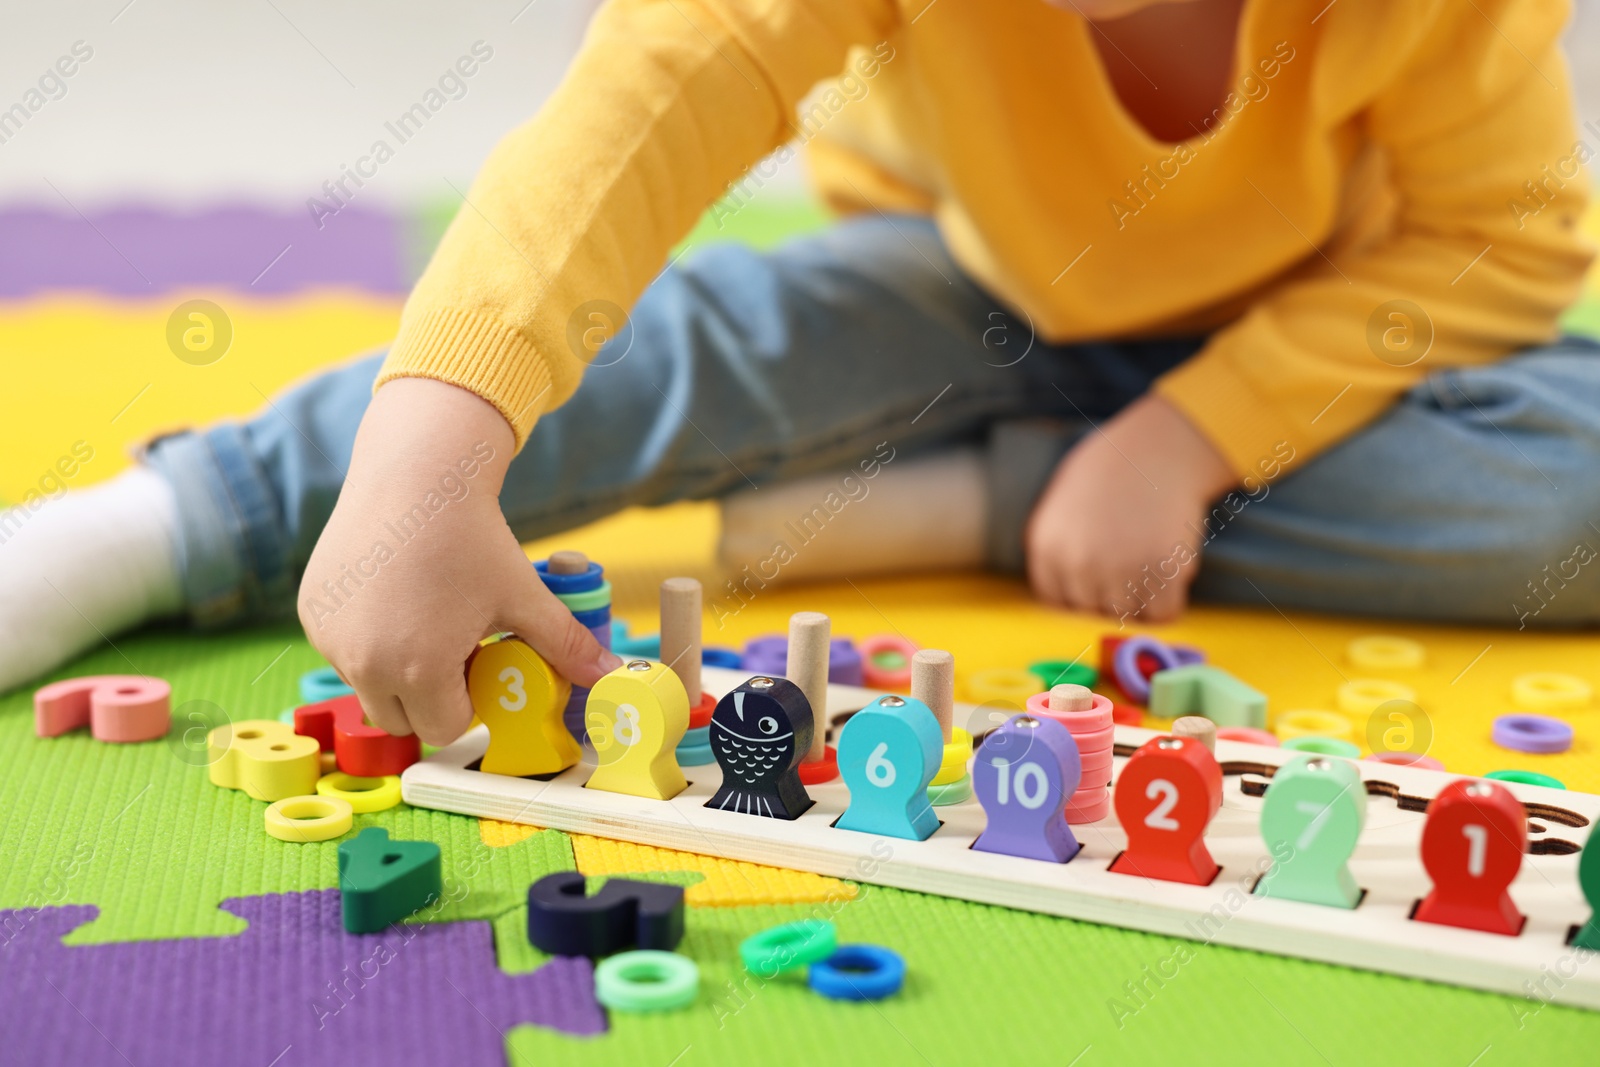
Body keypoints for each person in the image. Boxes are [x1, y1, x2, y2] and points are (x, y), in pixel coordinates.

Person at [1, 0, 1593, 744]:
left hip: (1328, 353)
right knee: (679, 347)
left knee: (1568, 492)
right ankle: (178, 518)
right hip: (962, 284)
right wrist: (427, 458)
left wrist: (1190, 434)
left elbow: (1506, 243)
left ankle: (994, 498)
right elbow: (651, 97)